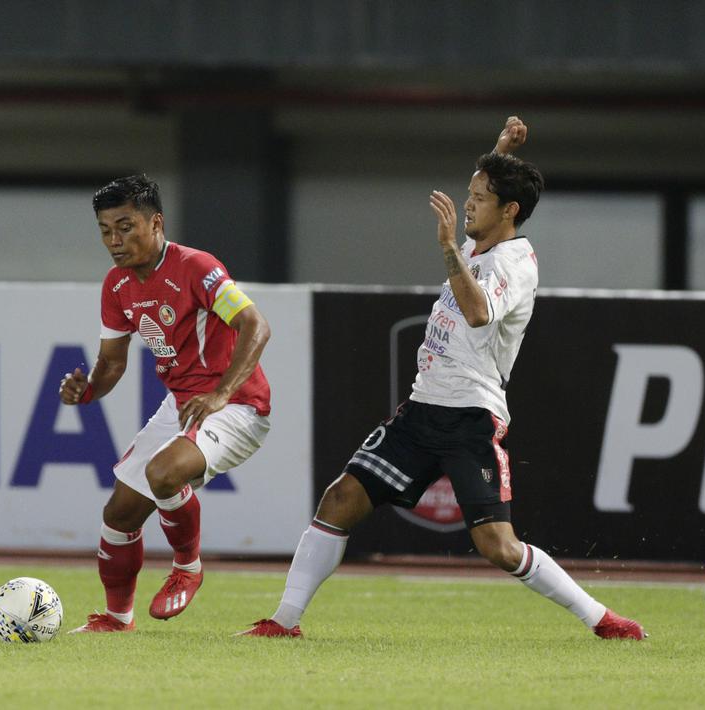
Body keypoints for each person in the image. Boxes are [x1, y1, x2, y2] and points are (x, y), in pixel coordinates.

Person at [239, 117, 645, 640]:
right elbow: (487, 197)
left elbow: (478, 313)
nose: (468, 203)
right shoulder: (484, 243)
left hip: (470, 418)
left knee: (498, 545)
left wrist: (449, 247)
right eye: (469, 193)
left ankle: (601, 618)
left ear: (510, 211)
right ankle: (283, 623)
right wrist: (499, 151)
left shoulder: (513, 263)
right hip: (422, 409)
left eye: (480, 197)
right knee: (340, 499)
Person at [60, 174, 272, 633]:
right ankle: (118, 618)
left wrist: (219, 394)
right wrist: (88, 390)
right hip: (182, 404)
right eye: (105, 231)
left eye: (126, 227)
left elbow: (257, 326)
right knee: (118, 514)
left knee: (163, 473)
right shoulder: (117, 285)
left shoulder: (196, 266)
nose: (114, 241)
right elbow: (112, 364)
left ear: (156, 222)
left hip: (237, 405)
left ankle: (188, 567)